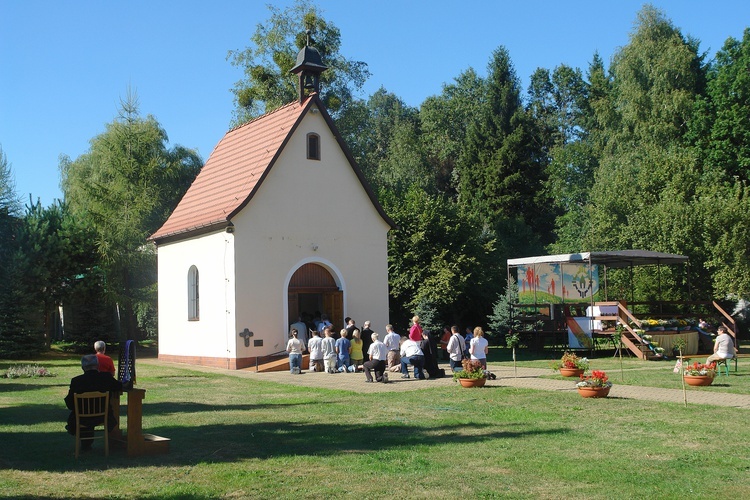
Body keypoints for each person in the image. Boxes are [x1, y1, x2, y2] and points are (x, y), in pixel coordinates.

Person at [64, 354, 123, 451]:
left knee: (77, 416)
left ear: (83, 367)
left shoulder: (76, 381)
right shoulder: (106, 377)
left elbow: (70, 403)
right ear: (97, 365)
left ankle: (85, 445)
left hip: (82, 417)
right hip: (103, 416)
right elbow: (119, 386)